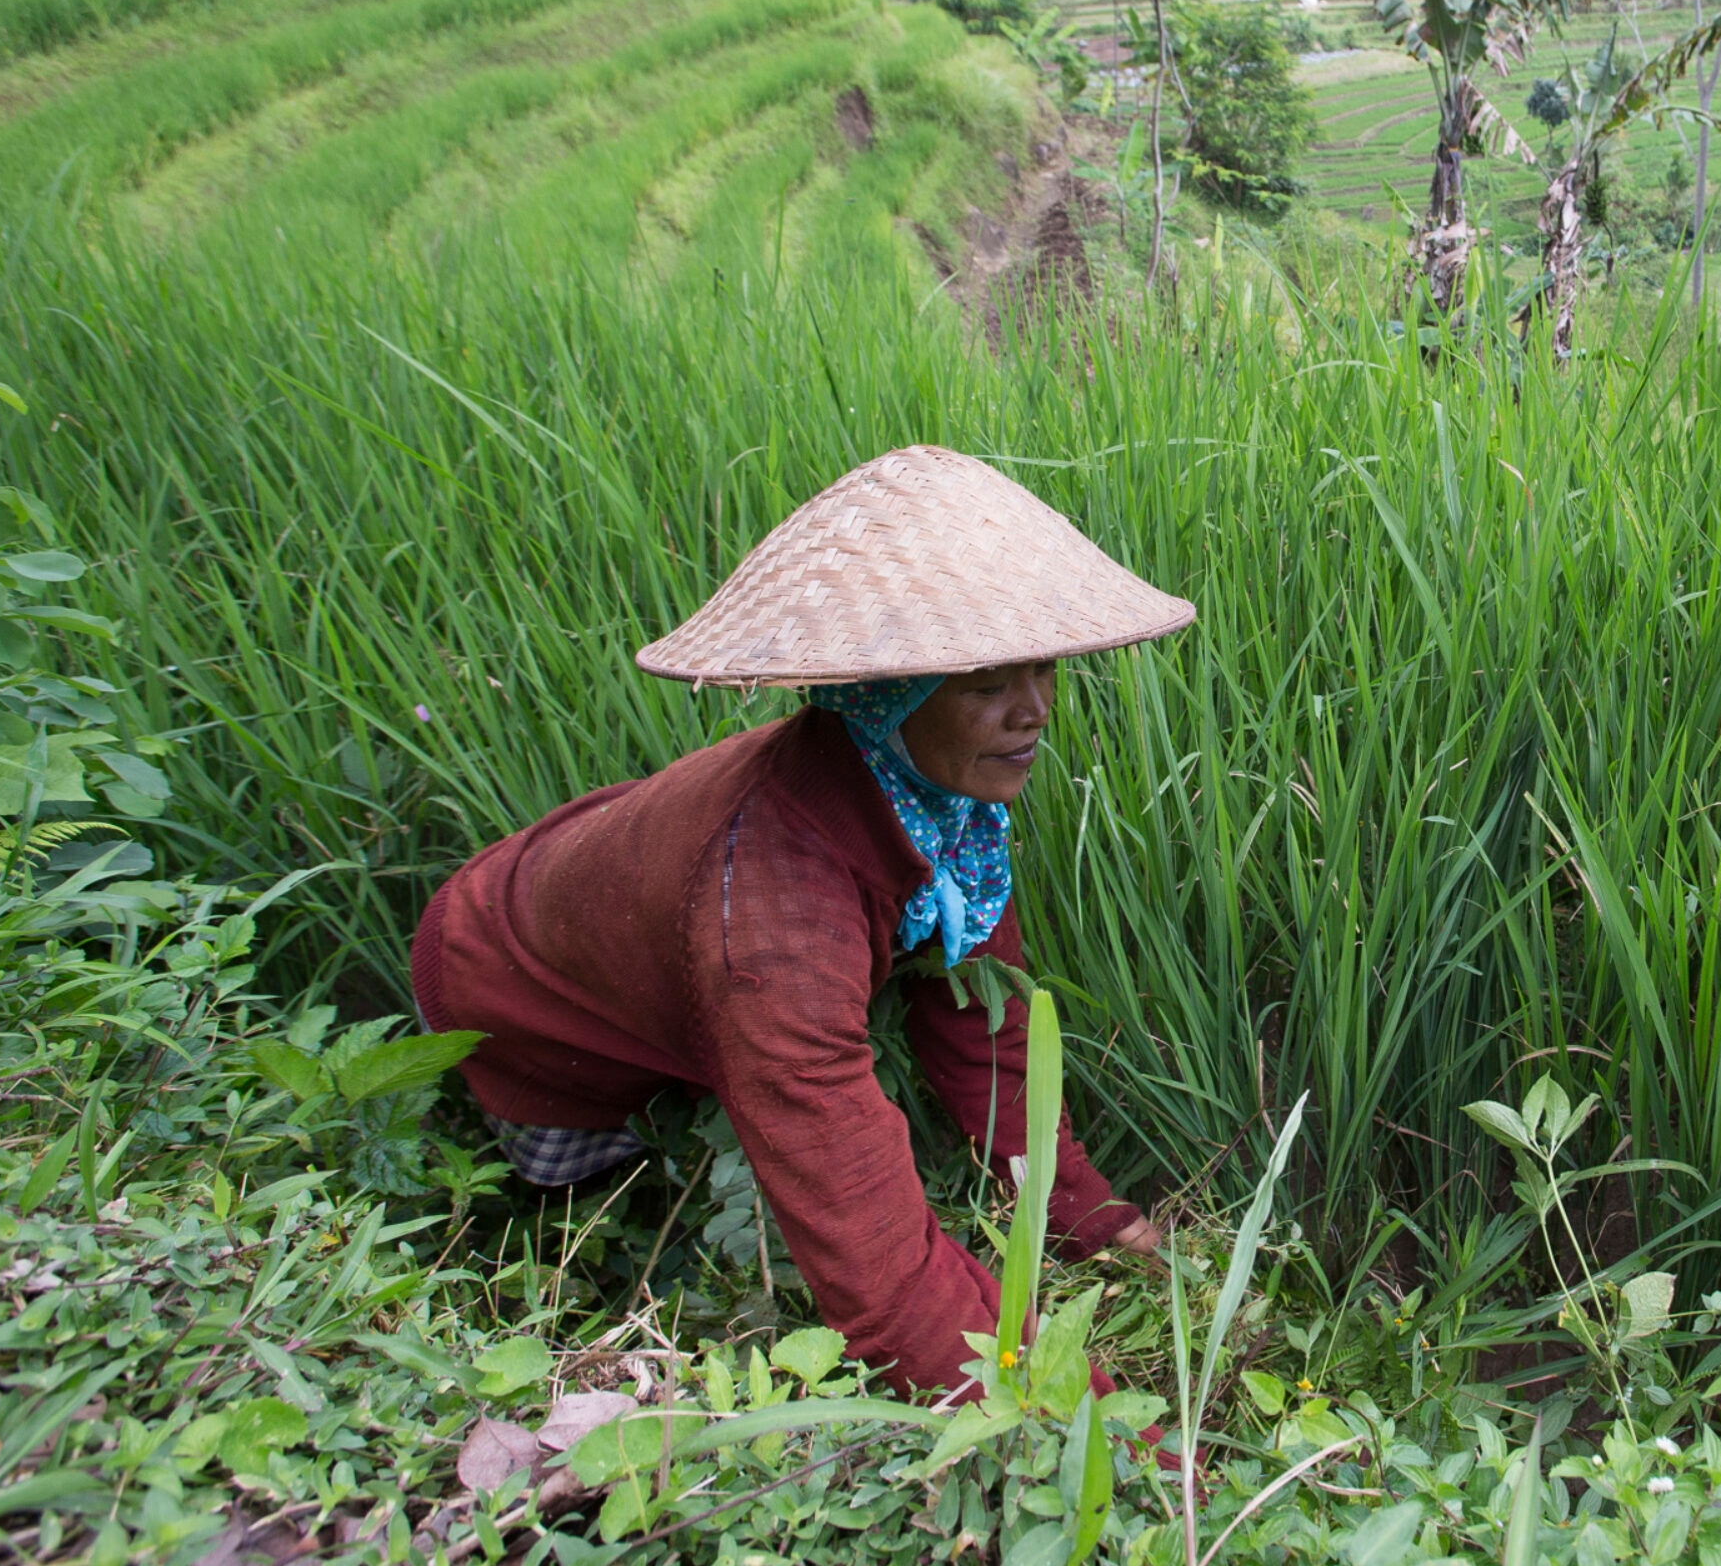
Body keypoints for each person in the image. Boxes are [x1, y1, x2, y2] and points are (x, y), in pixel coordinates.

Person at [410, 447, 1192, 1394]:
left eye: (1043, 670)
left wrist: (1086, 1219)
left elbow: (986, 1032)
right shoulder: (778, 916)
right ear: (890, 694)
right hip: (508, 981)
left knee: (755, 1091)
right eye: (989, 685)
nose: (1035, 713)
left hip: (635, 898)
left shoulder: (948, 805)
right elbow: (879, 1268)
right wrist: (1085, 1422)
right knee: (586, 1228)